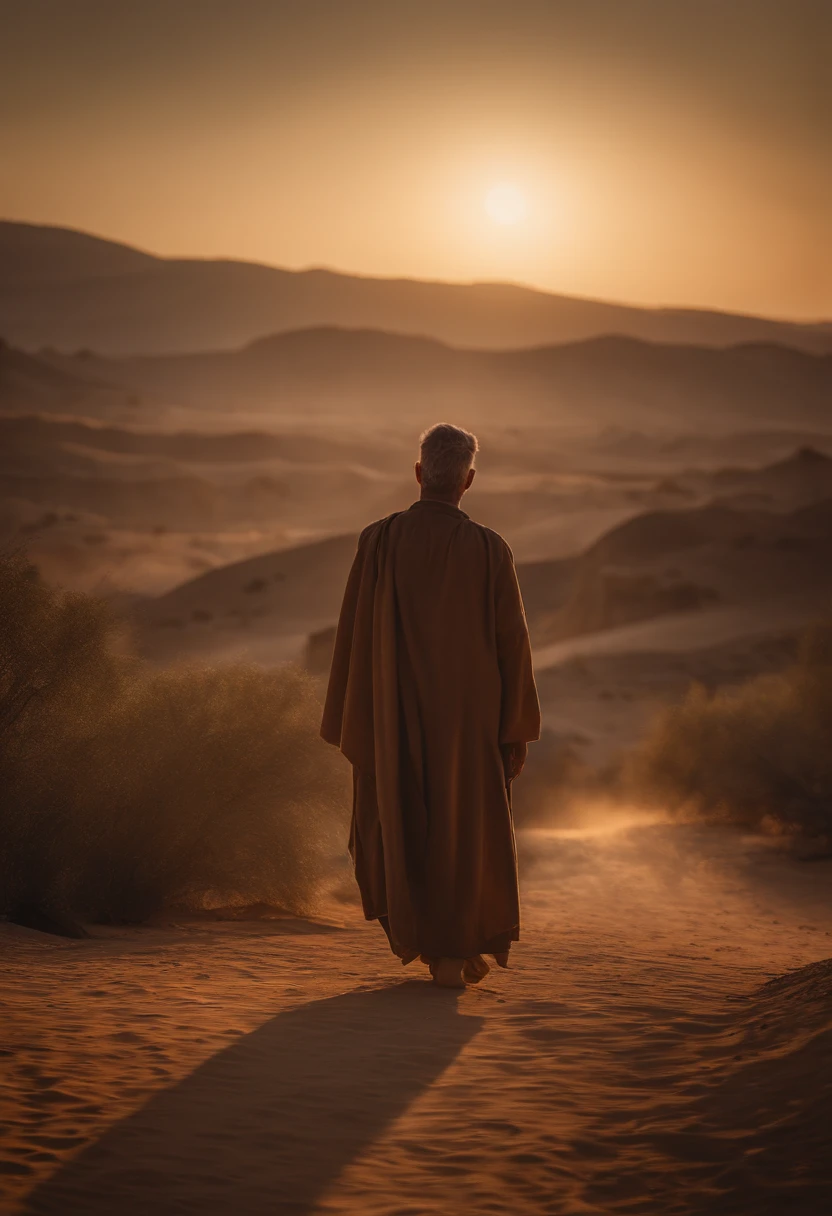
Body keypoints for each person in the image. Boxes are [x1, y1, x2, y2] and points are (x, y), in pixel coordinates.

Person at [321, 423, 540, 988]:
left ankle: (441, 947)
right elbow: (513, 644)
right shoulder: (490, 549)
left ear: (419, 473)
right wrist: (513, 730)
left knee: (397, 824)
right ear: (468, 480)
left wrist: (353, 711)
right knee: (463, 832)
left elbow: (351, 635)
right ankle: (451, 950)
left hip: (393, 719)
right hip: (469, 727)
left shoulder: (379, 541)